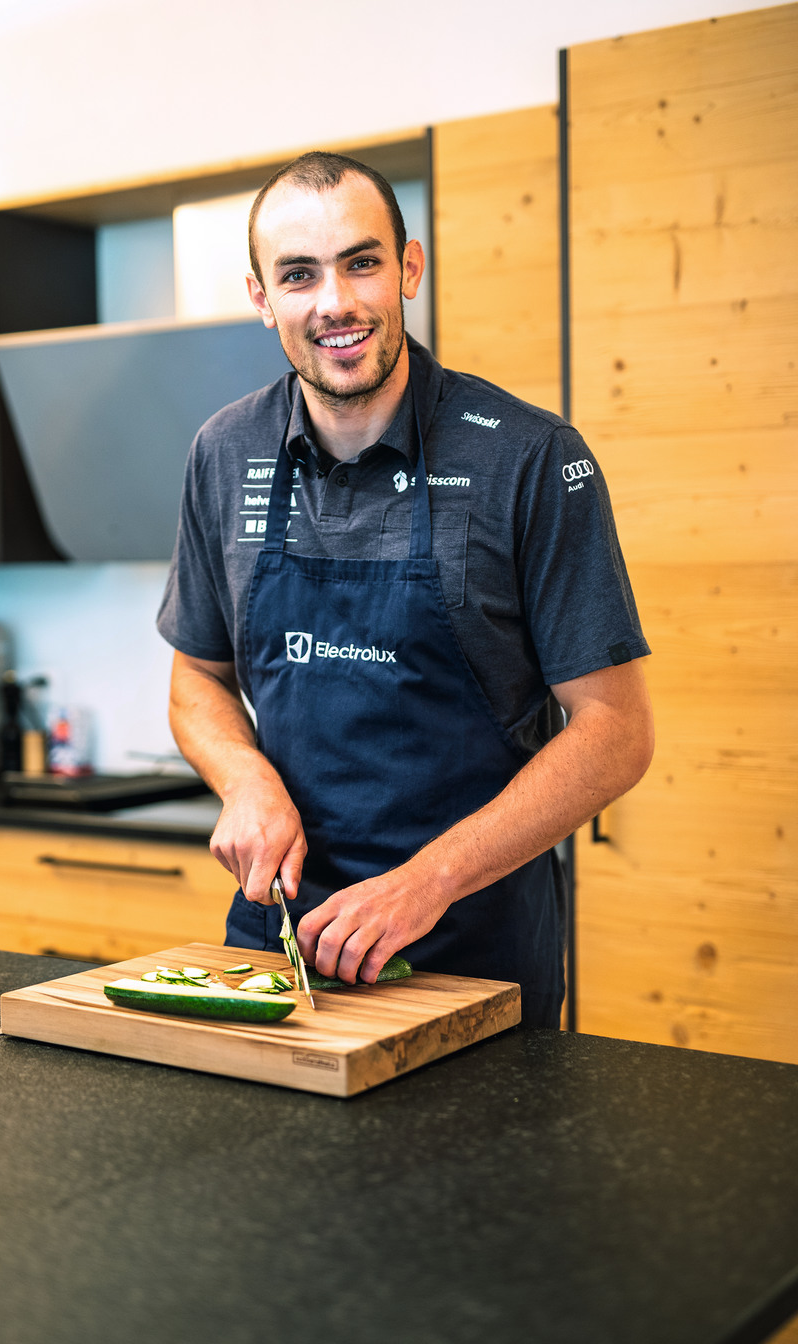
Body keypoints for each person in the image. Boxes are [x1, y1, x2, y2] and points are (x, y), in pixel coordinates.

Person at [157, 151, 654, 1027]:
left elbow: (615, 732)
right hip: (279, 949)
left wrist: (427, 882)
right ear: (260, 296)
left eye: (362, 262)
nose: (335, 303)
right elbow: (197, 677)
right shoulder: (223, 452)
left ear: (409, 269)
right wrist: (242, 779)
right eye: (299, 275)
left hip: (472, 954)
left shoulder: (528, 458)